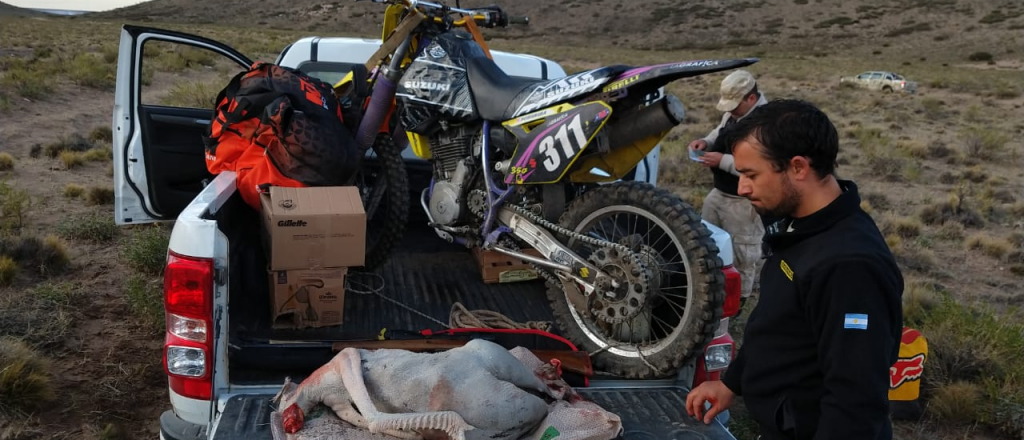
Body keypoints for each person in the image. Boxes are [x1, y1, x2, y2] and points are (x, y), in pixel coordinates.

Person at [684, 99, 904, 440]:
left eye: (751, 174)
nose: (742, 188)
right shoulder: (798, 227)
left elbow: (855, 401)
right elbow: (777, 324)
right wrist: (731, 384)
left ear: (798, 167)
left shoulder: (849, 267)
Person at [688, 69, 768, 308]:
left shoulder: (765, 123)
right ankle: (709, 293)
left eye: (735, 106)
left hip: (743, 200)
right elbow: (721, 128)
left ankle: (737, 304)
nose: (730, 111)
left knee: (743, 252)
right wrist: (707, 142)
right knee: (707, 242)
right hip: (719, 193)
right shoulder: (737, 115)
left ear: (751, 98)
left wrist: (720, 161)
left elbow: (759, 165)